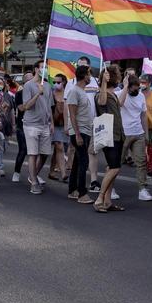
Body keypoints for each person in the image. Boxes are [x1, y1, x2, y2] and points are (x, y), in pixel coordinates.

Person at [93, 67, 125, 213]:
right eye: (117, 76)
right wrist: (104, 83)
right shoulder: (101, 93)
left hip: (118, 135)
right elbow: (101, 102)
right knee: (114, 167)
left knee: (111, 168)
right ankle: (100, 198)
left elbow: (121, 104)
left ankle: (107, 201)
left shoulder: (114, 94)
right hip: (109, 135)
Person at [18, 62, 53, 195]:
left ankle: (33, 175)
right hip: (31, 124)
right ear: (36, 69)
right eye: (43, 67)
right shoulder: (28, 85)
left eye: (47, 68)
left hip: (45, 124)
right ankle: (34, 182)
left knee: (45, 153)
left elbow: (49, 107)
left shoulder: (48, 85)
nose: (45, 69)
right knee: (33, 153)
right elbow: (26, 106)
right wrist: (38, 94)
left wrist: (52, 124)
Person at [65, 64, 96, 205]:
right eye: (89, 74)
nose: (90, 77)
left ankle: (72, 190)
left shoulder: (82, 91)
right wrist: (77, 134)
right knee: (84, 161)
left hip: (85, 130)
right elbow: (72, 114)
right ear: (84, 76)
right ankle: (82, 193)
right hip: (80, 132)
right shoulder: (74, 91)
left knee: (78, 161)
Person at [119, 72, 152, 202]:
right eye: (134, 88)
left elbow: (143, 115)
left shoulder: (141, 97)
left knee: (141, 162)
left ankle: (142, 189)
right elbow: (119, 104)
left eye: (138, 88)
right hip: (123, 134)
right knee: (116, 163)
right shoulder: (120, 94)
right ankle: (110, 188)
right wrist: (125, 87)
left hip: (138, 133)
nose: (137, 90)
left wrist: (146, 133)